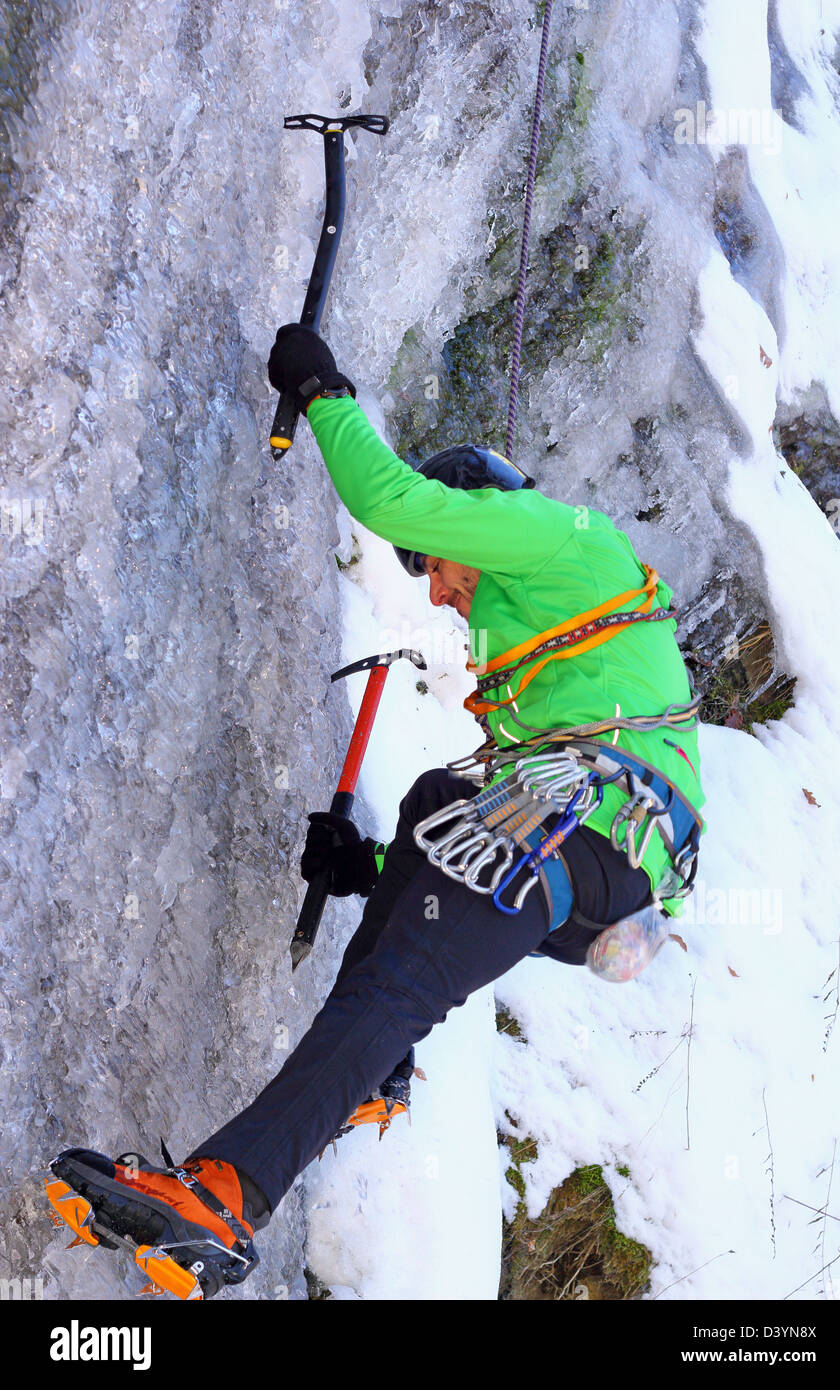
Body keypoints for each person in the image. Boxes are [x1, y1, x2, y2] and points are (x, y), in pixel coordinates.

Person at [45, 325, 705, 1300]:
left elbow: (384, 496)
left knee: (400, 981)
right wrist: (372, 868)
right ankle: (375, 1073)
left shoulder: (556, 535)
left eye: (434, 560)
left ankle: (222, 1198)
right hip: (603, 878)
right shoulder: (546, 622)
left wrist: (322, 389)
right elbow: (459, 820)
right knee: (440, 801)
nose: (434, 584)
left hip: (587, 834)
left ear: (475, 513)